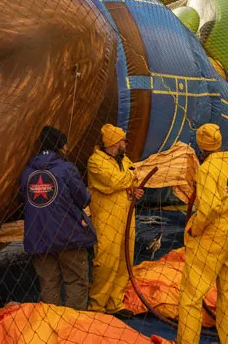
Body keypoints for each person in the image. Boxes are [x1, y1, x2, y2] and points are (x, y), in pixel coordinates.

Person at [177, 123, 228, 344]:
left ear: (201, 146)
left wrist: (194, 229)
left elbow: (208, 208)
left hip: (215, 233)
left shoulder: (207, 169)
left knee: (191, 295)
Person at [20, 126, 96, 311]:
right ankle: (72, 329)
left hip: (38, 237)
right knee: (76, 281)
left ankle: (51, 328)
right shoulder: (66, 168)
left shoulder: (28, 171)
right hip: (68, 236)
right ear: (61, 147)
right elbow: (83, 198)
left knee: (48, 285)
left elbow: (24, 196)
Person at [87, 123, 143, 318]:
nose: (124, 143)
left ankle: (115, 303)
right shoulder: (96, 162)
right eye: (121, 140)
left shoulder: (123, 160)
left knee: (123, 261)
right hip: (107, 220)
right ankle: (97, 306)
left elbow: (127, 180)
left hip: (127, 218)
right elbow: (113, 183)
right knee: (106, 262)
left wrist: (134, 189)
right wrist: (130, 178)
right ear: (113, 142)